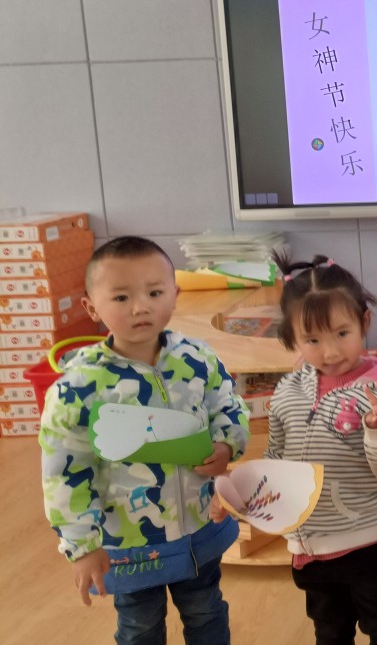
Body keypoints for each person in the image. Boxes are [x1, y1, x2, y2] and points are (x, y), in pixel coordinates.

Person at [40, 236, 249, 644]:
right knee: (141, 626)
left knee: (207, 611)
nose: (140, 307)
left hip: (199, 526)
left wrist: (227, 445)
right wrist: (81, 546)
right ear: (91, 307)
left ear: (175, 295)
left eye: (154, 293)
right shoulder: (79, 386)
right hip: (130, 540)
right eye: (121, 297)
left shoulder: (197, 357)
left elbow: (228, 405)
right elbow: (63, 471)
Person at [262, 254, 377, 644]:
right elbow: (275, 455)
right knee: (329, 630)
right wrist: (253, 494)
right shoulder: (288, 390)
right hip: (309, 546)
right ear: (293, 339)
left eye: (341, 333)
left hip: (366, 539)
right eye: (312, 340)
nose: (329, 352)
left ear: (364, 322)